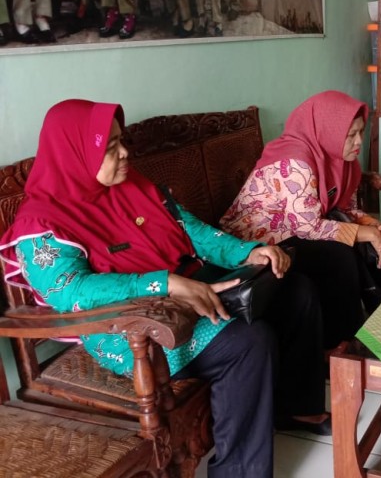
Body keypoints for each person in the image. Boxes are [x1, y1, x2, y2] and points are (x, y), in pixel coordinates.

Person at [0, 99, 330, 477]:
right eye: (109, 147)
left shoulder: (134, 186)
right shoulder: (41, 224)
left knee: (296, 290)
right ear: (75, 153)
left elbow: (193, 232)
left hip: (188, 288)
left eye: (121, 142)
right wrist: (165, 284)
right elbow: (71, 292)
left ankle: (294, 408)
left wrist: (249, 251)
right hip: (130, 330)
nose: (124, 153)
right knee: (248, 343)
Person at [221, 91, 381, 343]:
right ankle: (342, 345)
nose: (359, 141)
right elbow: (309, 228)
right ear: (329, 131)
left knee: (375, 241)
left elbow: (345, 208)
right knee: (340, 256)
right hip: (256, 241)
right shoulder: (296, 162)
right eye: (350, 135)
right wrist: (365, 233)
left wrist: (375, 226)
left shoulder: (341, 158)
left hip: (292, 230)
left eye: (361, 132)